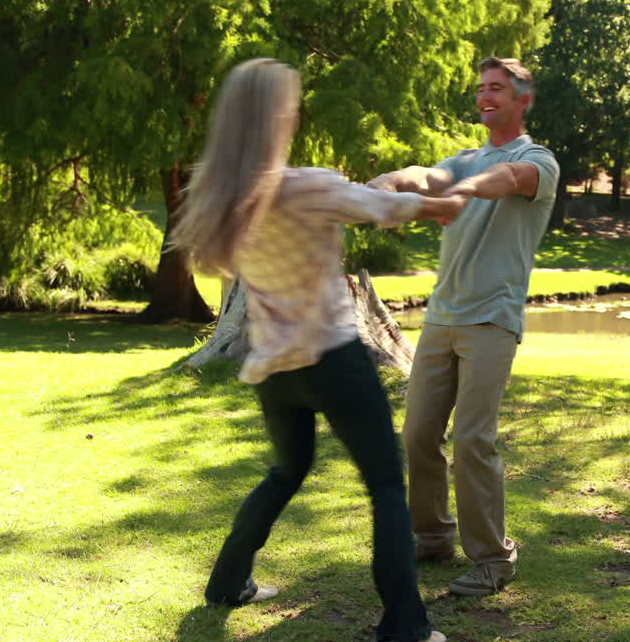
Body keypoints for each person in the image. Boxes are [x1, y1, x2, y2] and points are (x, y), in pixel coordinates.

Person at [171, 58, 459, 642]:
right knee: (385, 485)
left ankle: (228, 583)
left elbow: (360, 199)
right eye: (291, 104)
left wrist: (381, 187)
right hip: (333, 359)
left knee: (285, 470)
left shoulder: (228, 198)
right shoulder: (308, 184)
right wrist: (448, 197)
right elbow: (392, 209)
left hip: (274, 368)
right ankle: (406, 627)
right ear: (276, 116)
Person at [368, 56, 559, 596]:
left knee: (474, 439)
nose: (485, 95)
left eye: (497, 88)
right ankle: (432, 538)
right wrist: (386, 181)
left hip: (492, 317)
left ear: (523, 99)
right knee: (418, 435)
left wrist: (466, 192)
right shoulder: (463, 158)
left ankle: (495, 560)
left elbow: (509, 180)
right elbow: (426, 176)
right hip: (442, 317)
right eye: (480, 88)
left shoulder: (536, 157)